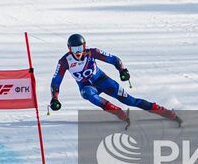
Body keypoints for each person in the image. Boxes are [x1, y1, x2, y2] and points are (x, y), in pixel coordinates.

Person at [49, 33, 181, 126]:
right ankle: (118, 112)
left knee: (131, 101)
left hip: (103, 81)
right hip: (88, 87)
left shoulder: (92, 52)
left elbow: (114, 59)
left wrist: (122, 70)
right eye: (74, 49)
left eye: (80, 48)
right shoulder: (64, 61)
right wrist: (55, 98)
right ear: (69, 49)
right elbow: (56, 82)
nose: (78, 52)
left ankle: (165, 112)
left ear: (84, 47)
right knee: (87, 93)